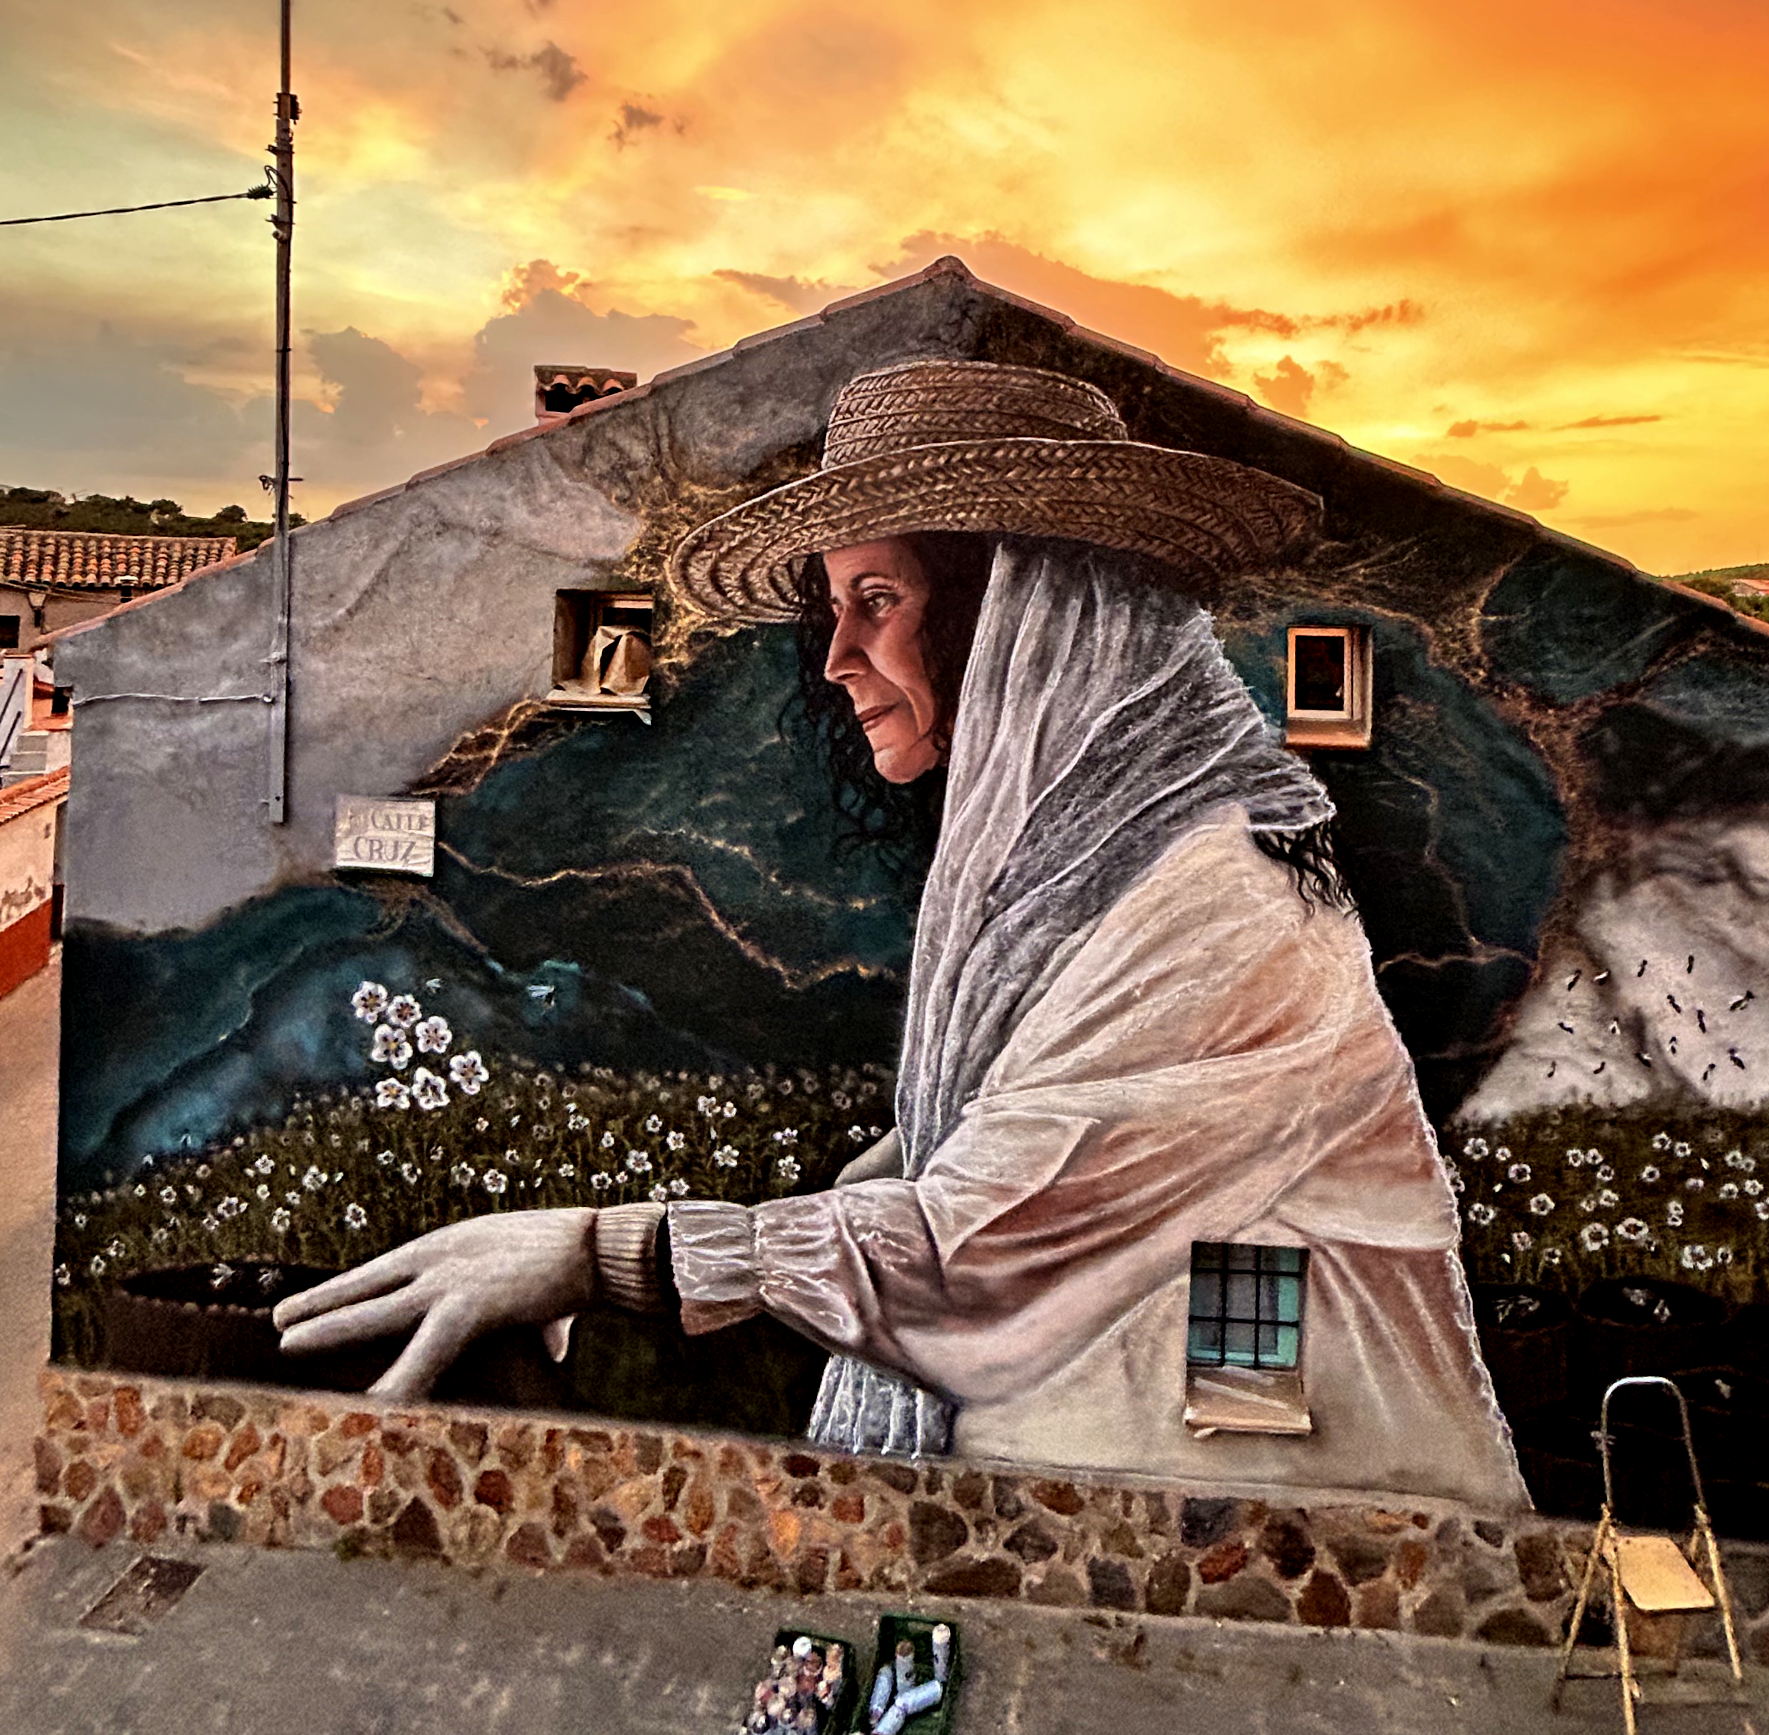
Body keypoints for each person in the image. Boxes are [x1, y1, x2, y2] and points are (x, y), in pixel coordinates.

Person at [277, 359, 1527, 1510]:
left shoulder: (1221, 911)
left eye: (877, 600)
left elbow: (971, 1248)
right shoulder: (1083, 873)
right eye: (832, 606)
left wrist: (597, 1254)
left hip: (1279, 1529)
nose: (837, 658)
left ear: (1027, 621)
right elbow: (1006, 1129)